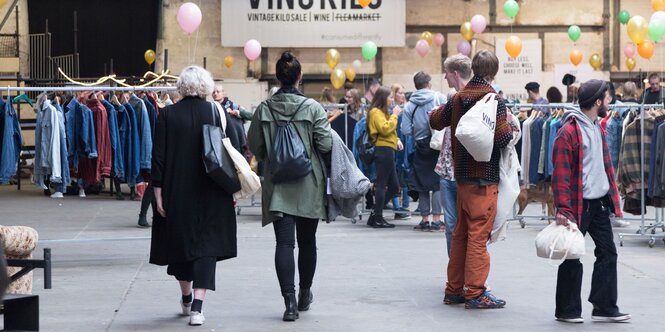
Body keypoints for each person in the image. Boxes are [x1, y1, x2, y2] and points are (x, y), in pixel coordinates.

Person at [150, 65, 241, 326]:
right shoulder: (217, 111)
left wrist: (158, 192)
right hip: (213, 187)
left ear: (181, 86)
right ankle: (197, 309)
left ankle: (187, 296)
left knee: (181, 242)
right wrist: (232, 188)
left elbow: (158, 158)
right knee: (207, 246)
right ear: (206, 86)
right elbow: (230, 152)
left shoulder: (166, 115)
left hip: (177, 189)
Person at [248, 52, 332, 322]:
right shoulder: (314, 108)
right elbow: (326, 145)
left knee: (284, 243)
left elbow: (257, 148)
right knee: (308, 242)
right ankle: (305, 293)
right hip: (309, 184)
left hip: (278, 187)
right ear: (299, 77)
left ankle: (290, 303)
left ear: (277, 77)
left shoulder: (263, 109)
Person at [430, 50, 513, 308]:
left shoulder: (457, 98)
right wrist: (508, 125)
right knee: (479, 236)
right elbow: (501, 139)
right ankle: (475, 293)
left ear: (473, 68)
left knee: (460, 235)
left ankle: (453, 289)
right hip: (484, 179)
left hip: (461, 177)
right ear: (494, 71)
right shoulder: (494, 100)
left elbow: (435, 120)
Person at [551, 79, 630, 323]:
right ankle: (567, 310)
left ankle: (604, 306)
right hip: (578, 204)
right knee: (573, 255)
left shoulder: (598, 126)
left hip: (598, 203)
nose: (609, 102)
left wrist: (613, 199)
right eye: (606, 98)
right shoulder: (569, 132)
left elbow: (602, 166)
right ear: (597, 101)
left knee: (608, 252)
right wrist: (563, 209)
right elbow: (560, 175)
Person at [435, 54, 472, 254]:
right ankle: (455, 271)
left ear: (455, 73)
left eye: (446, 73)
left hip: (467, 172)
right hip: (448, 171)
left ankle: (471, 274)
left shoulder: (478, 98)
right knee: (450, 224)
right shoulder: (451, 98)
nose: (445, 77)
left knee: (472, 225)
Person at [401, 71, 446, 231]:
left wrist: (417, 131)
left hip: (420, 145)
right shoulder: (438, 98)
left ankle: (425, 219)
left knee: (421, 183)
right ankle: (436, 219)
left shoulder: (409, 104)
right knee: (437, 183)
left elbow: (405, 130)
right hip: (437, 144)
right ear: (428, 83)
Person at [366, 86, 404, 228]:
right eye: (390, 97)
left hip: (388, 148)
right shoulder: (376, 112)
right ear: (383, 98)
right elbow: (385, 128)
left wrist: (397, 140)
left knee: (394, 186)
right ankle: (378, 218)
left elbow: (389, 131)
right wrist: (394, 115)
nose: (392, 100)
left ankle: (376, 214)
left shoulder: (380, 112)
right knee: (382, 185)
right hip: (383, 150)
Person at [392, 83, 412, 217]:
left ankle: (404, 205)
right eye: (400, 93)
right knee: (394, 175)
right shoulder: (392, 110)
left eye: (403, 93)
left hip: (404, 143)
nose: (403, 95)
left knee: (404, 172)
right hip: (394, 143)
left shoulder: (405, 108)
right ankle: (397, 207)